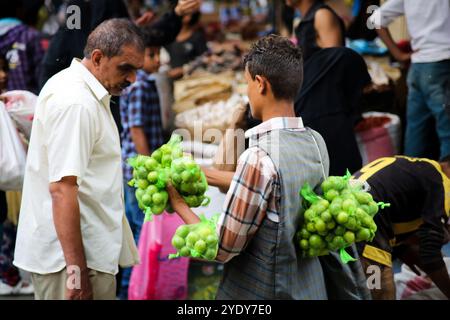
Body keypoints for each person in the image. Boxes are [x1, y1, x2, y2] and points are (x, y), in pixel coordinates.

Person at [168, 35, 332, 299]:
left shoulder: (257, 157)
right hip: (309, 288)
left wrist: (178, 204)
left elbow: (222, 248)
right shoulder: (316, 141)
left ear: (260, 83)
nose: (246, 92)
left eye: (246, 83)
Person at [13, 18, 145, 300]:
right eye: (126, 68)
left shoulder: (83, 89)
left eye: (137, 69)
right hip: (70, 262)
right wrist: (77, 273)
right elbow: (62, 190)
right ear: (98, 58)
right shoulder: (77, 102)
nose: (133, 78)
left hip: (82, 256)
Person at [353, 156, 450, 300]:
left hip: (342, 212)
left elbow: (392, 206)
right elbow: (430, 253)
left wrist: (402, 249)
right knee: (382, 294)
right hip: (364, 227)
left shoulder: (417, 167)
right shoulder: (443, 184)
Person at [369, 0, 450, 161]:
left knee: (416, 132)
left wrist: (398, 54)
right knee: (447, 133)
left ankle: (409, 181)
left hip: (418, 67)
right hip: (440, 64)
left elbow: (375, 19)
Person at [118, 27, 166, 300]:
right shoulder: (139, 86)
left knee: (139, 228)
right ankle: (129, 290)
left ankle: (134, 287)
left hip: (136, 167)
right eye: (152, 54)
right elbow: (136, 129)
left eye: (159, 53)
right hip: (138, 170)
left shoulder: (145, 82)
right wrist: (149, 168)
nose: (157, 59)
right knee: (139, 229)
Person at [0, 1, 46, 94]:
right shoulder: (31, 36)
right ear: (20, 11)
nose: (4, 75)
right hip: (28, 104)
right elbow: (43, 75)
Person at [165, 11, 208, 79]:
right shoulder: (168, 38)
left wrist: (185, 69)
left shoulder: (197, 37)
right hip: (174, 81)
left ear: (188, 17)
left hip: (193, 79)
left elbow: (205, 58)